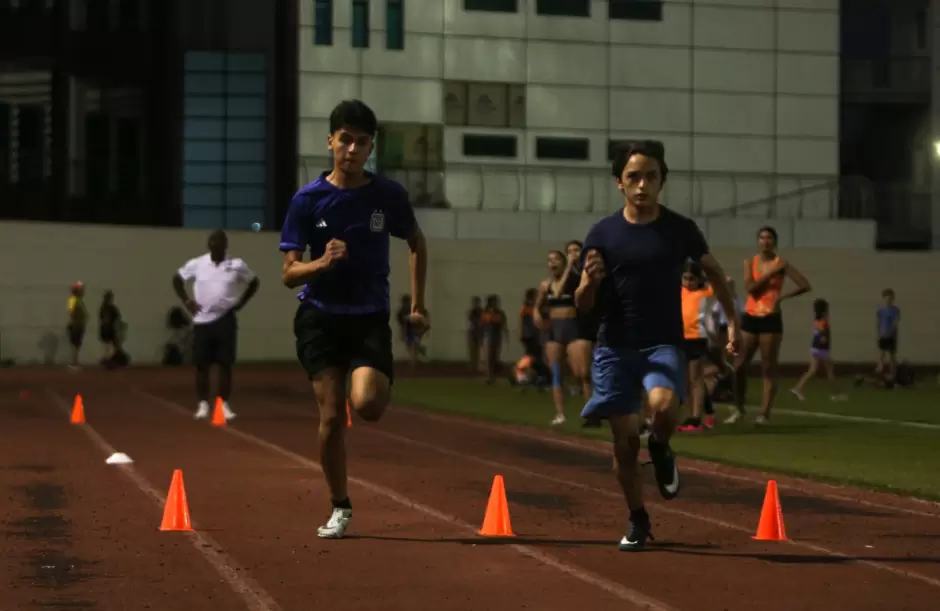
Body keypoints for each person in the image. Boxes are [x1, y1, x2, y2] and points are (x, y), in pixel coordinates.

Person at [574, 140, 740, 551]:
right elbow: (583, 304)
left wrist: (733, 323)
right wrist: (590, 283)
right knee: (625, 445)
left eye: (650, 176)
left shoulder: (680, 229)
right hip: (614, 347)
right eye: (633, 177)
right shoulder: (603, 233)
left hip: (662, 343)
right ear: (619, 183)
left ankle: (662, 445)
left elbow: (716, 273)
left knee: (665, 407)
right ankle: (638, 518)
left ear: (662, 180)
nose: (642, 184)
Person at [278, 99, 429, 540]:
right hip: (320, 318)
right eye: (345, 139)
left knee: (367, 406)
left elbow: (416, 241)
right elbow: (288, 274)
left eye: (362, 142)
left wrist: (417, 304)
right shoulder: (307, 201)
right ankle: (340, 505)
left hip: (368, 318)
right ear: (330, 141)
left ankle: (363, 382)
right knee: (330, 420)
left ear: (371, 148)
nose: (352, 149)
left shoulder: (388, 196)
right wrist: (321, 263)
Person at [173, 230, 260, 421]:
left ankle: (223, 404)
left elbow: (254, 282)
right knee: (202, 365)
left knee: (225, 364)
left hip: (225, 319)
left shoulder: (236, 265)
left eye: (220, 243)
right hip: (202, 321)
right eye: (213, 243)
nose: (216, 246)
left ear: (225, 246)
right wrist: (187, 301)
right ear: (208, 245)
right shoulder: (197, 264)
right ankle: (203, 404)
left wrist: (242, 302)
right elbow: (177, 279)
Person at [727, 226, 811, 425]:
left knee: (768, 366)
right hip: (751, 316)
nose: (765, 241)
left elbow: (805, 284)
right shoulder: (752, 262)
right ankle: (739, 408)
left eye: (769, 238)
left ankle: (764, 413)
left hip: (771, 318)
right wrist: (772, 272)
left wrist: (782, 297)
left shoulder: (782, 263)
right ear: (758, 241)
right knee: (739, 365)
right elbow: (751, 289)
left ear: (775, 242)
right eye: (762, 238)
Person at [533, 249, 585, 425]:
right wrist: (536, 314)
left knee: (581, 373)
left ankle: (591, 412)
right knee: (556, 372)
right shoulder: (545, 285)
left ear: (564, 263)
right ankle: (560, 414)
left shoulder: (574, 282)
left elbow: (559, 291)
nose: (552, 263)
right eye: (549, 260)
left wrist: (571, 265)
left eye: (556, 260)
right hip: (554, 330)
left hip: (572, 328)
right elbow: (538, 304)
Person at [676, 261, 717, 432]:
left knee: (695, 378)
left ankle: (696, 417)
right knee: (684, 380)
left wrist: (705, 276)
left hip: (697, 337)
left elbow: (725, 282)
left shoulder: (705, 292)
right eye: (685, 278)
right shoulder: (680, 291)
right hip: (680, 337)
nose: (688, 282)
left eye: (692, 279)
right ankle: (689, 415)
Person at [791, 299, 846, 401]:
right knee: (829, 371)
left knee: (813, 370)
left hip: (815, 348)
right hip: (822, 349)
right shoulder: (823, 321)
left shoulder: (817, 320)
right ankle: (835, 394)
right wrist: (824, 336)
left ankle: (798, 388)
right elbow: (823, 333)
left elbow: (819, 331)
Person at [480, 294, 508, 384]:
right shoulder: (485, 313)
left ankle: (493, 376)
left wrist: (506, 334)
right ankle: (489, 376)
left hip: (497, 336)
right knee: (488, 358)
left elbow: (503, 324)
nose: (496, 303)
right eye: (494, 301)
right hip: (488, 336)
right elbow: (482, 325)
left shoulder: (500, 313)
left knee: (495, 357)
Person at [875, 289, 900, 382]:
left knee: (892, 356)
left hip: (891, 336)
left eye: (890, 298)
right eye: (886, 298)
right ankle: (879, 372)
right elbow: (879, 322)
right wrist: (879, 333)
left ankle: (893, 375)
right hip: (883, 335)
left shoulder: (895, 310)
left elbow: (895, 322)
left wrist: (891, 332)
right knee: (881, 355)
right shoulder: (881, 310)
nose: (888, 300)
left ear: (892, 299)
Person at [98, 290, 124, 368]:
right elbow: (118, 317)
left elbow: (101, 318)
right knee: (112, 346)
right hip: (110, 329)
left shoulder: (102, 307)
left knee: (107, 346)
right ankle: (109, 360)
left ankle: (108, 360)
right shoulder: (112, 308)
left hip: (105, 329)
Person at [66, 282, 87, 371]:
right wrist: (76, 318)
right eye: (81, 290)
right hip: (76, 325)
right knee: (75, 344)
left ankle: (75, 362)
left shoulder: (79, 300)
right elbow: (71, 311)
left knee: (77, 345)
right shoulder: (73, 299)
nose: (83, 292)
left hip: (79, 325)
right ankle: (74, 363)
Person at [466, 296, 484, 373]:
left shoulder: (481, 312)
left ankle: (477, 365)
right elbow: (470, 323)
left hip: (479, 332)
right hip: (472, 332)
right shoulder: (471, 312)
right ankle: (472, 365)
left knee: (479, 350)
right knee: (472, 350)